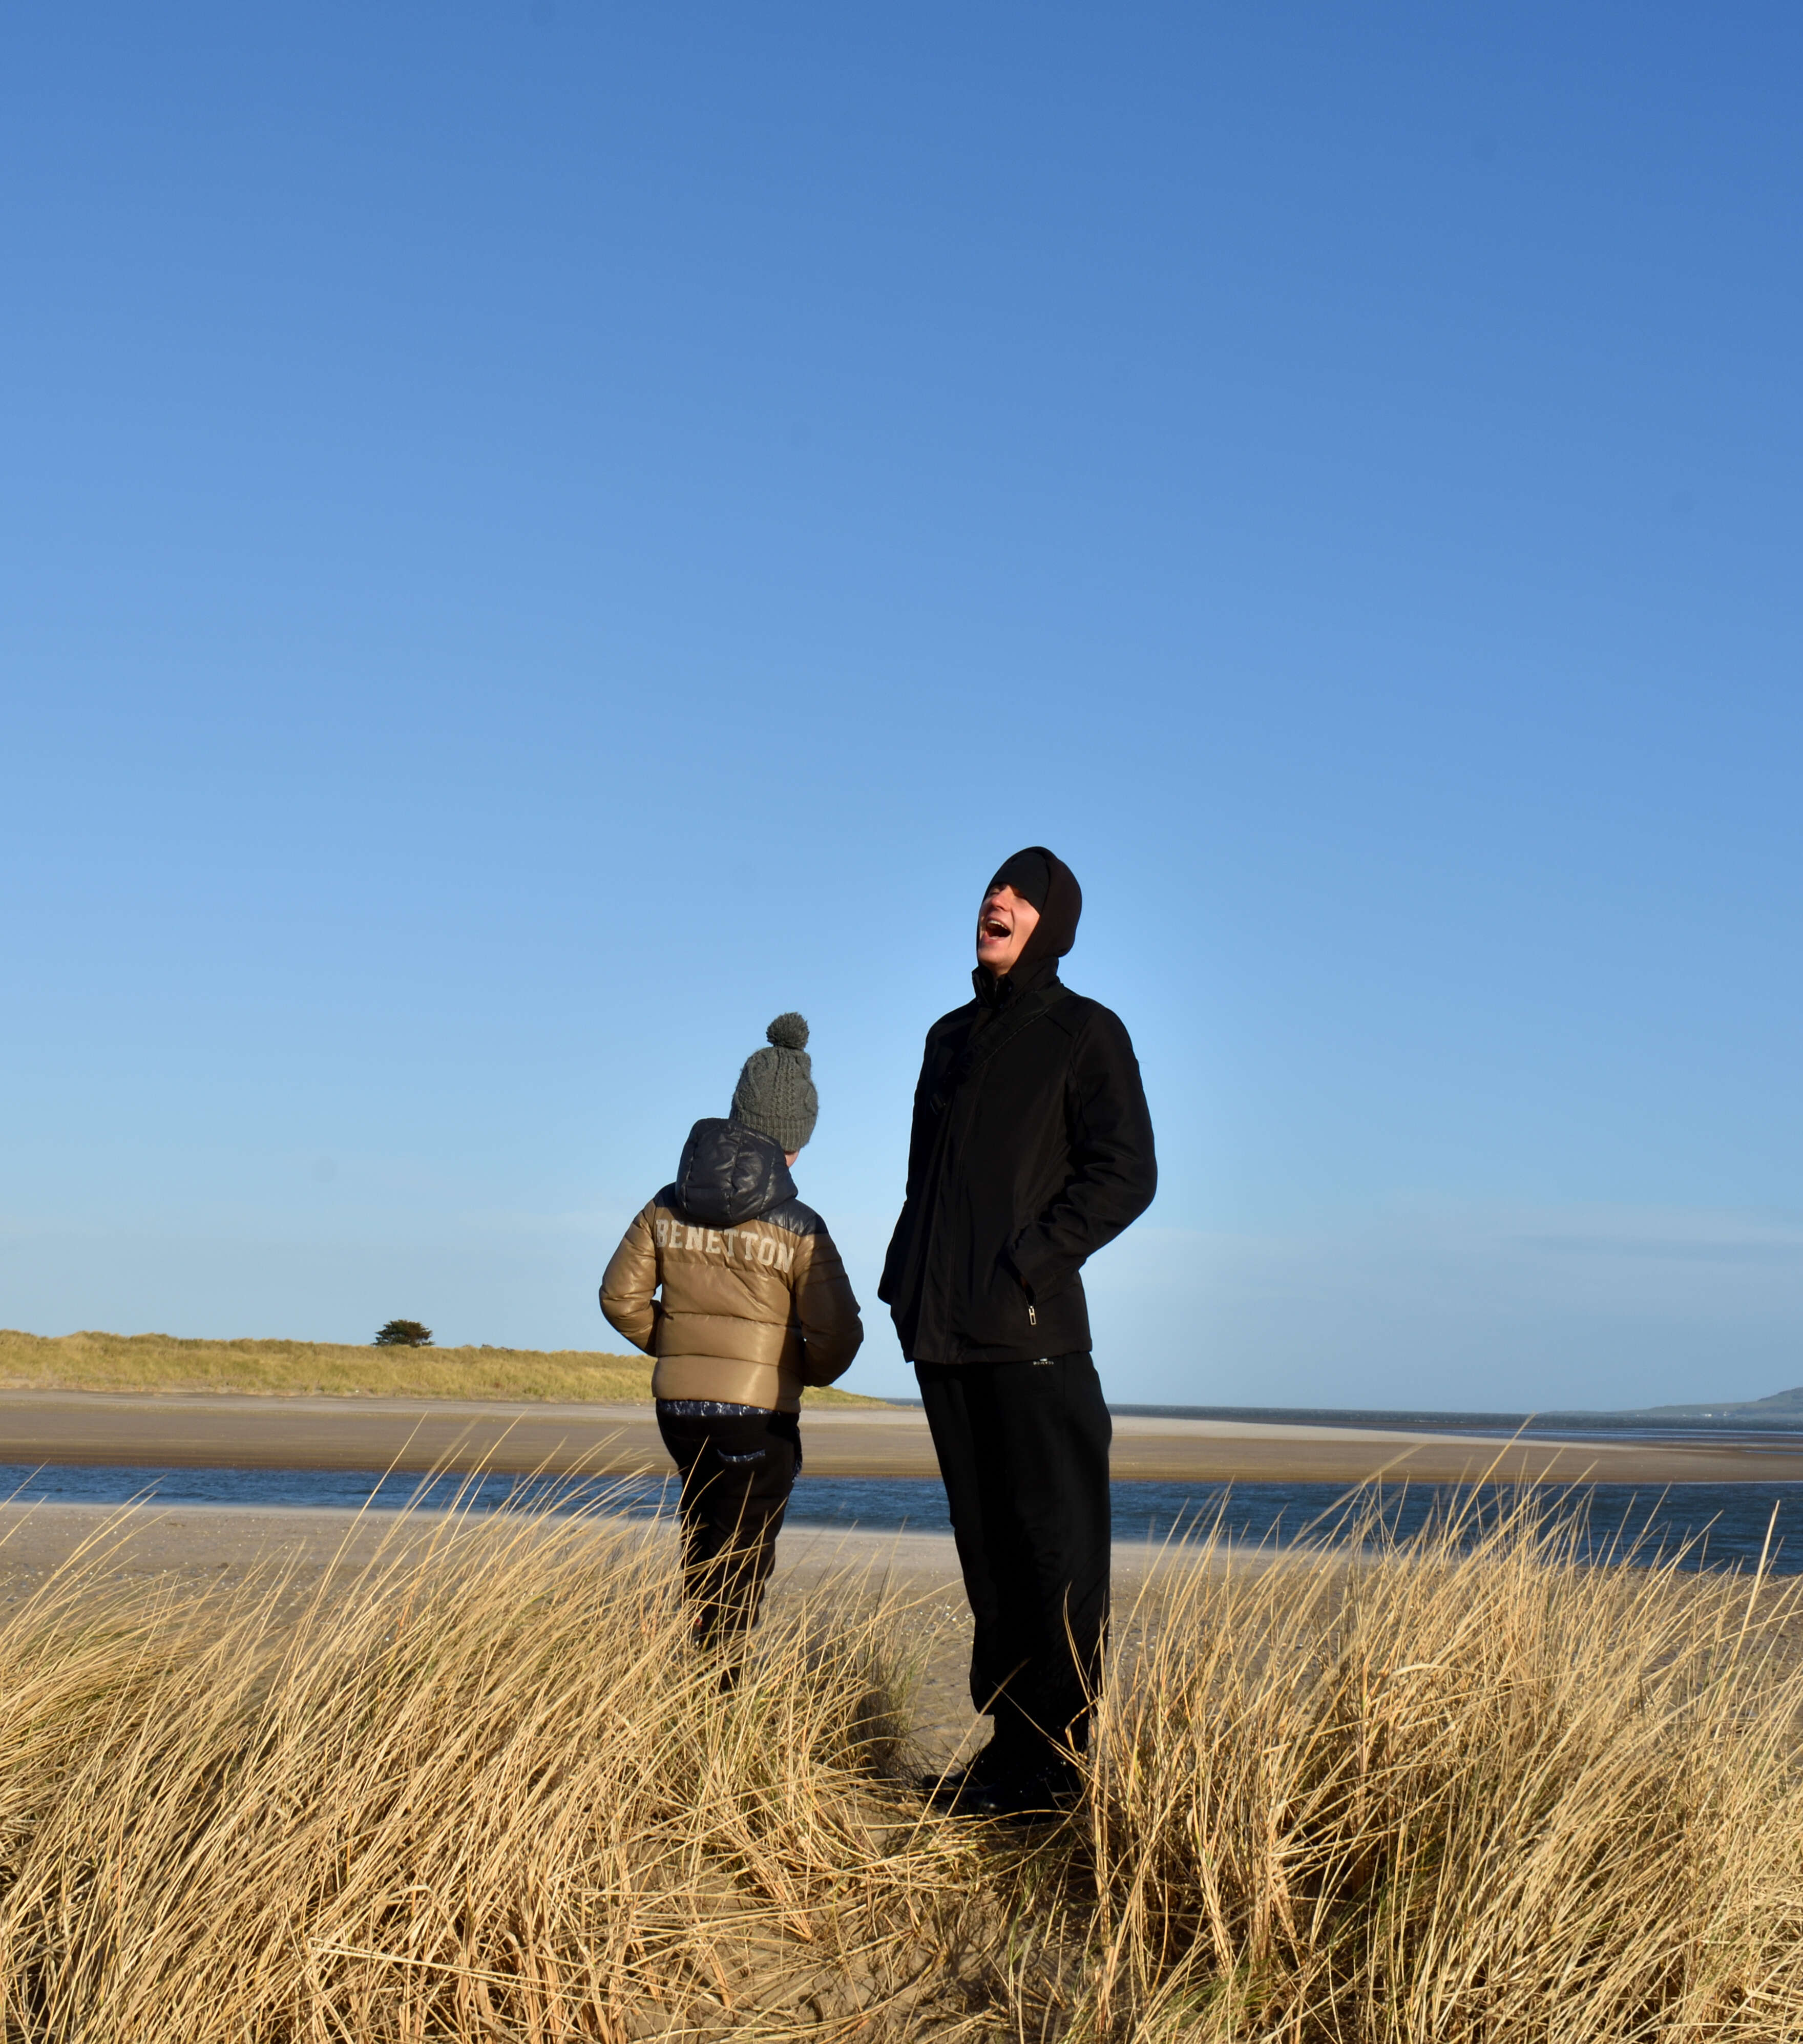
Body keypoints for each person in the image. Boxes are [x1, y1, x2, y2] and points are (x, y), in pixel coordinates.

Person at [879, 848, 1157, 1815]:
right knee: (988, 1556)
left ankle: (1058, 1767)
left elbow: (1126, 1173)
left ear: (1054, 922)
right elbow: (926, 1179)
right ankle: (1009, 1755)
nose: (998, 898)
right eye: (994, 887)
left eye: (1023, 893)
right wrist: (909, 1280)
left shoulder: (1086, 1032)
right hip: (943, 1337)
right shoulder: (947, 1038)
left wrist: (1030, 1260)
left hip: (1035, 1338)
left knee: (1055, 1555)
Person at [601, 1013, 863, 1645]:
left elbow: (620, 1299)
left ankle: (694, 1655)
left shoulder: (666, 1203)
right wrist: (796, 1368)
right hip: (758, 1410)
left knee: (701, 1525)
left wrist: (681, 1347)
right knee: (744, 1547)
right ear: (794, 1141)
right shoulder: (801, 1225)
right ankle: (720, 1678)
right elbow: (837, 1335)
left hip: (678, 1407)